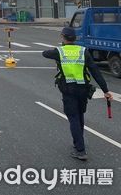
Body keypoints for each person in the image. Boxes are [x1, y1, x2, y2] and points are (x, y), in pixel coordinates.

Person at [42, 27, 113, 160]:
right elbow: (95, 72)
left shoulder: (59, 52)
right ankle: (78, 142)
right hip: (82, 89)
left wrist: (58, 50)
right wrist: (105, 91)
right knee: (79, 115)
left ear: (63, 37)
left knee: (73, 118)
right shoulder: (83, 51)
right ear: (74, 39)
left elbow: (44, 53)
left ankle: (80, 150)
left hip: (68, 89)